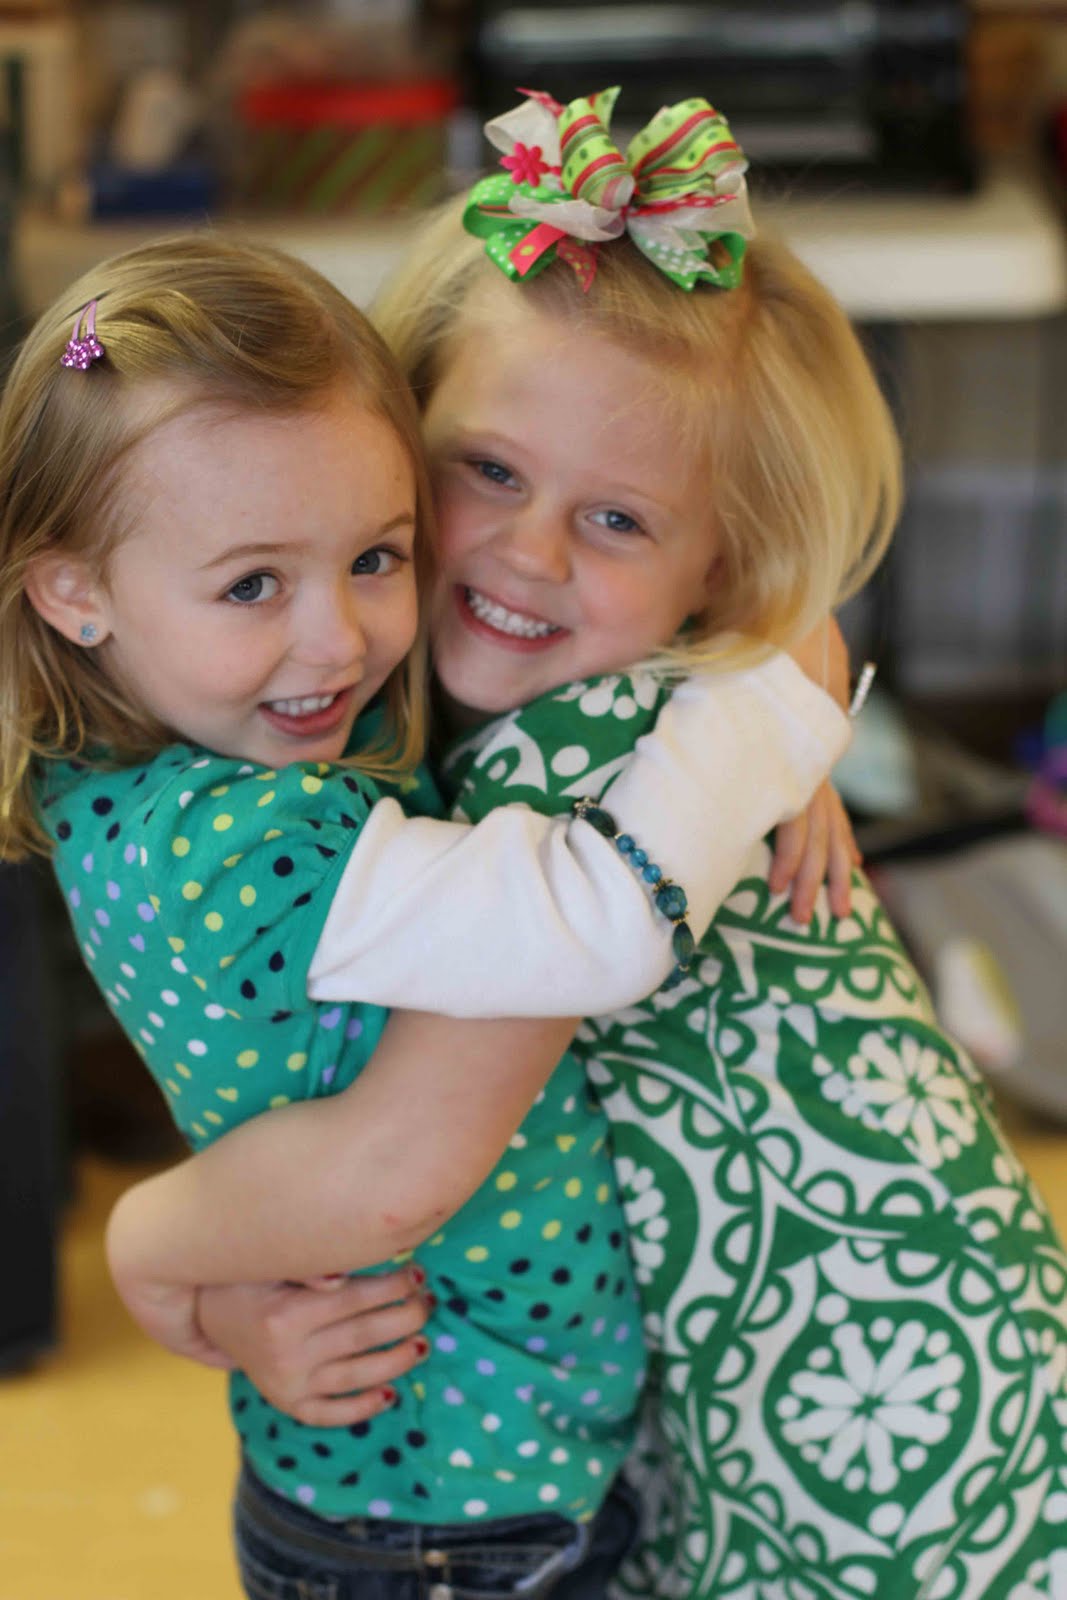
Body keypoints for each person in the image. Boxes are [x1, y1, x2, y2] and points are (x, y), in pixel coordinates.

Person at [103, 91, 1067, 1600]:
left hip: (868, 1428)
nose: (528, 551)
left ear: (717, 571)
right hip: (817, 1392)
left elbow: (393, 1156)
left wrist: (154, 1251)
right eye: (486, 471)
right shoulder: (419, 712)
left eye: (618, 521)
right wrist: (776, 682)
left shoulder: (568, 770)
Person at [0, 231, 854, 1600]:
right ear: (73, 590)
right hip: (449, 1508)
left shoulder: (137, 745)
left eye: (377, 556)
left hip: (436, 1475)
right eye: (253, 584)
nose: (339, 640)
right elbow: (590, 925)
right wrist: (769, 704)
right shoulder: (247, 846)